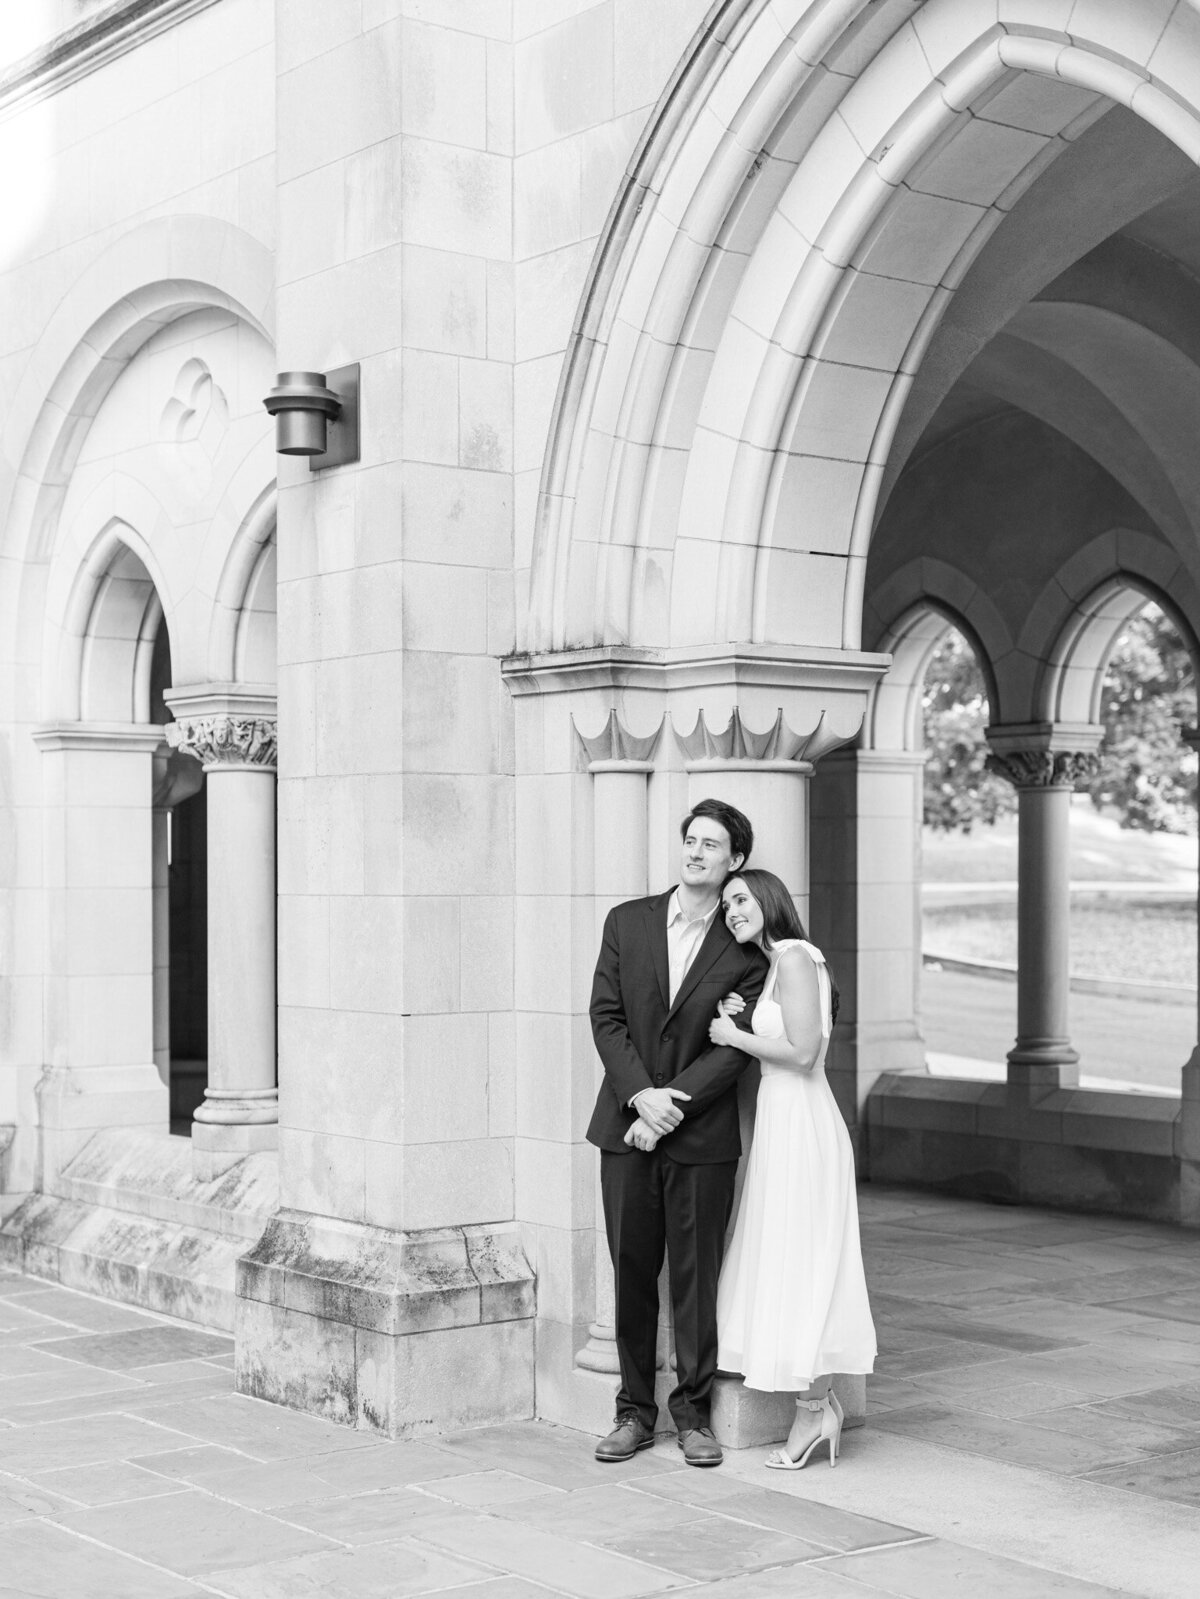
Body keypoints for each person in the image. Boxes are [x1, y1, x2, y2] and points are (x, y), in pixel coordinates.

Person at [587, 799, 769, 1467]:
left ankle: (692, 1414)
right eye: (689, 839)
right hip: (624, 1128)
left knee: (697, 1279)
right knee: (631, 1271)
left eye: (711, 843)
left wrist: (673, 1104)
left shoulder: (746, 943)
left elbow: (736, 1045)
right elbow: (606, 1016)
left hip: (700, 1139)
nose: (695, 851)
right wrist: (641, 1095)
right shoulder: (626, 921)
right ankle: (632, 1412)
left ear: (734, 859)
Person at [709, 868, 876, 1470]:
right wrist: (744, 1014)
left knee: (805, 1257)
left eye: (742, 899)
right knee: (787, 1254)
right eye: (727, 903)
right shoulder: (776, 966)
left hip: (803, 1121)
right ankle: (817, 1407)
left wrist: (732, 1033)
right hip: (782, 1122)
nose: (732, 910)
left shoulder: (799, 955)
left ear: (771, 901)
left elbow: (804, 1054)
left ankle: (815, 1409)